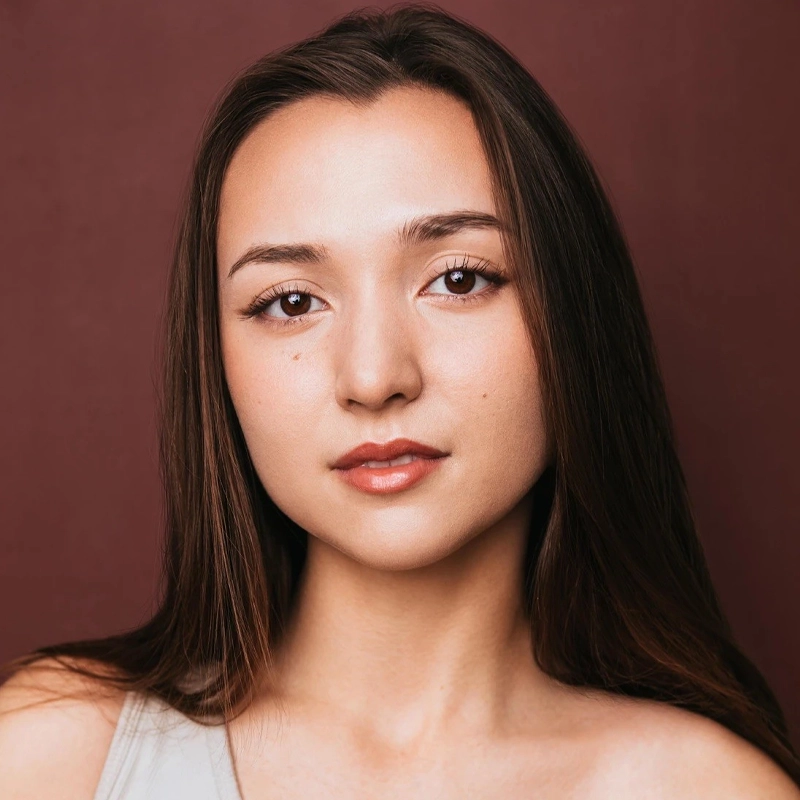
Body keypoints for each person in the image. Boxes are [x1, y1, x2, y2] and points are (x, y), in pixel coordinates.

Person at [1, 4, 798, 797]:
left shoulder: (710, 788)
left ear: (573, 313)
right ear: (214, 361)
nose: (375, 377)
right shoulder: (51, 755)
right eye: (288, 301)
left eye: (459, 279)